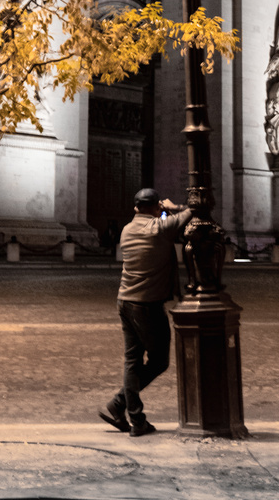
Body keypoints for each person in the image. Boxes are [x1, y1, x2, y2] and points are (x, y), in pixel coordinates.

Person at [99, 187, 192, 436]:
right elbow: (194, 211)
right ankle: (130, 414)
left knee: (132, 360)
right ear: (155, 208)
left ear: (135, 207)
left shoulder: (127, 229)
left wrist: (160, 212)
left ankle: (125, 410)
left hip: (125, 301)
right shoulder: (160, 228)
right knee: (159, 361)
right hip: (148, 305)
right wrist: (174, 208)